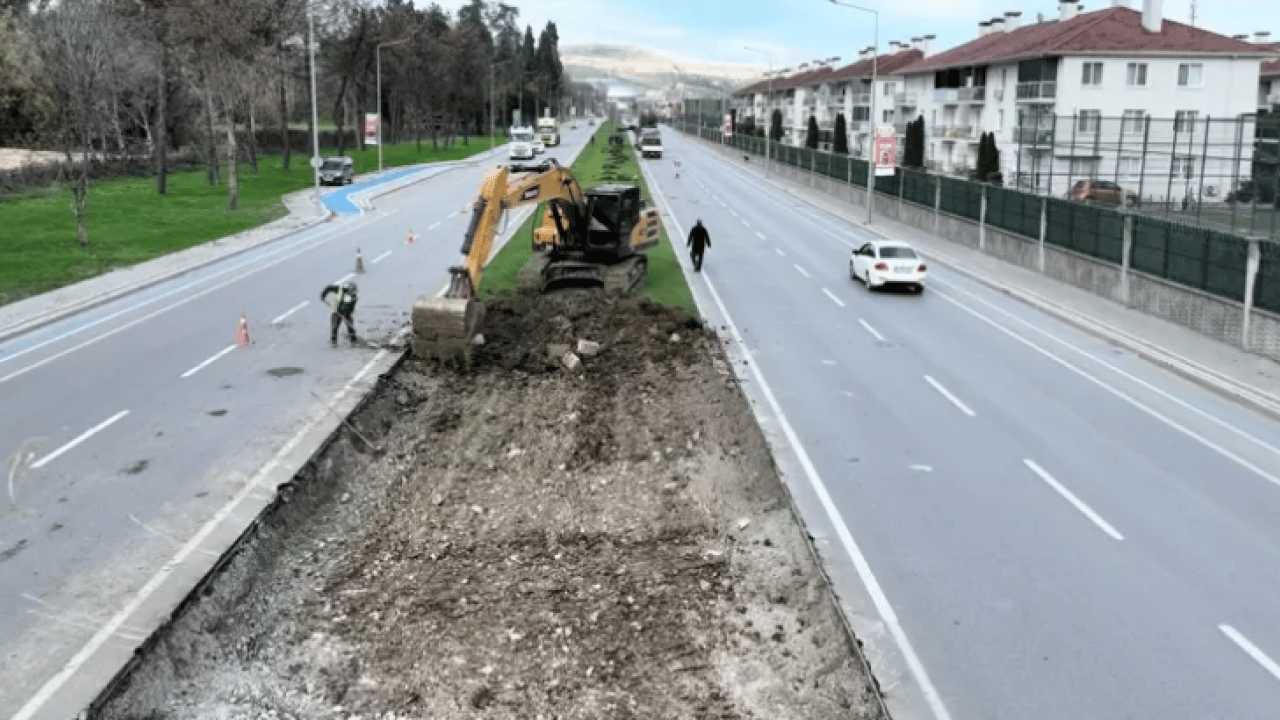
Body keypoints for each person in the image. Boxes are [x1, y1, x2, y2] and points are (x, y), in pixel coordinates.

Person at [321, 280, 359, 345]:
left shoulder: (354, 297)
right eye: (351, 291)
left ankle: (353, 341)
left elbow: (351, 308)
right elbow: (329, 288)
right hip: (336, 312)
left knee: (350, 327)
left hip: (347, 313)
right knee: (334, 328)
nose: (352, 292)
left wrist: (345, 314)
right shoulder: (340, 290)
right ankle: (333, 342)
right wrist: (323, 295)